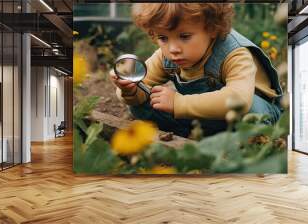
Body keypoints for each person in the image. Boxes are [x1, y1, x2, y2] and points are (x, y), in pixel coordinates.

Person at [110, 3, 283, 138]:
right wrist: (129, 90)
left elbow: (239, 100)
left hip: (253, 115)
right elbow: (141, 85)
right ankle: (191, 135)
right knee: (141, 105)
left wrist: (178, 103)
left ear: (212, 28)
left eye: (184, 36)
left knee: (248, 110)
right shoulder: (165, 57)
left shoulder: (235, 54)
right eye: (163, 38)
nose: (173, 49)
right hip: (208, 119)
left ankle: (241, 143)